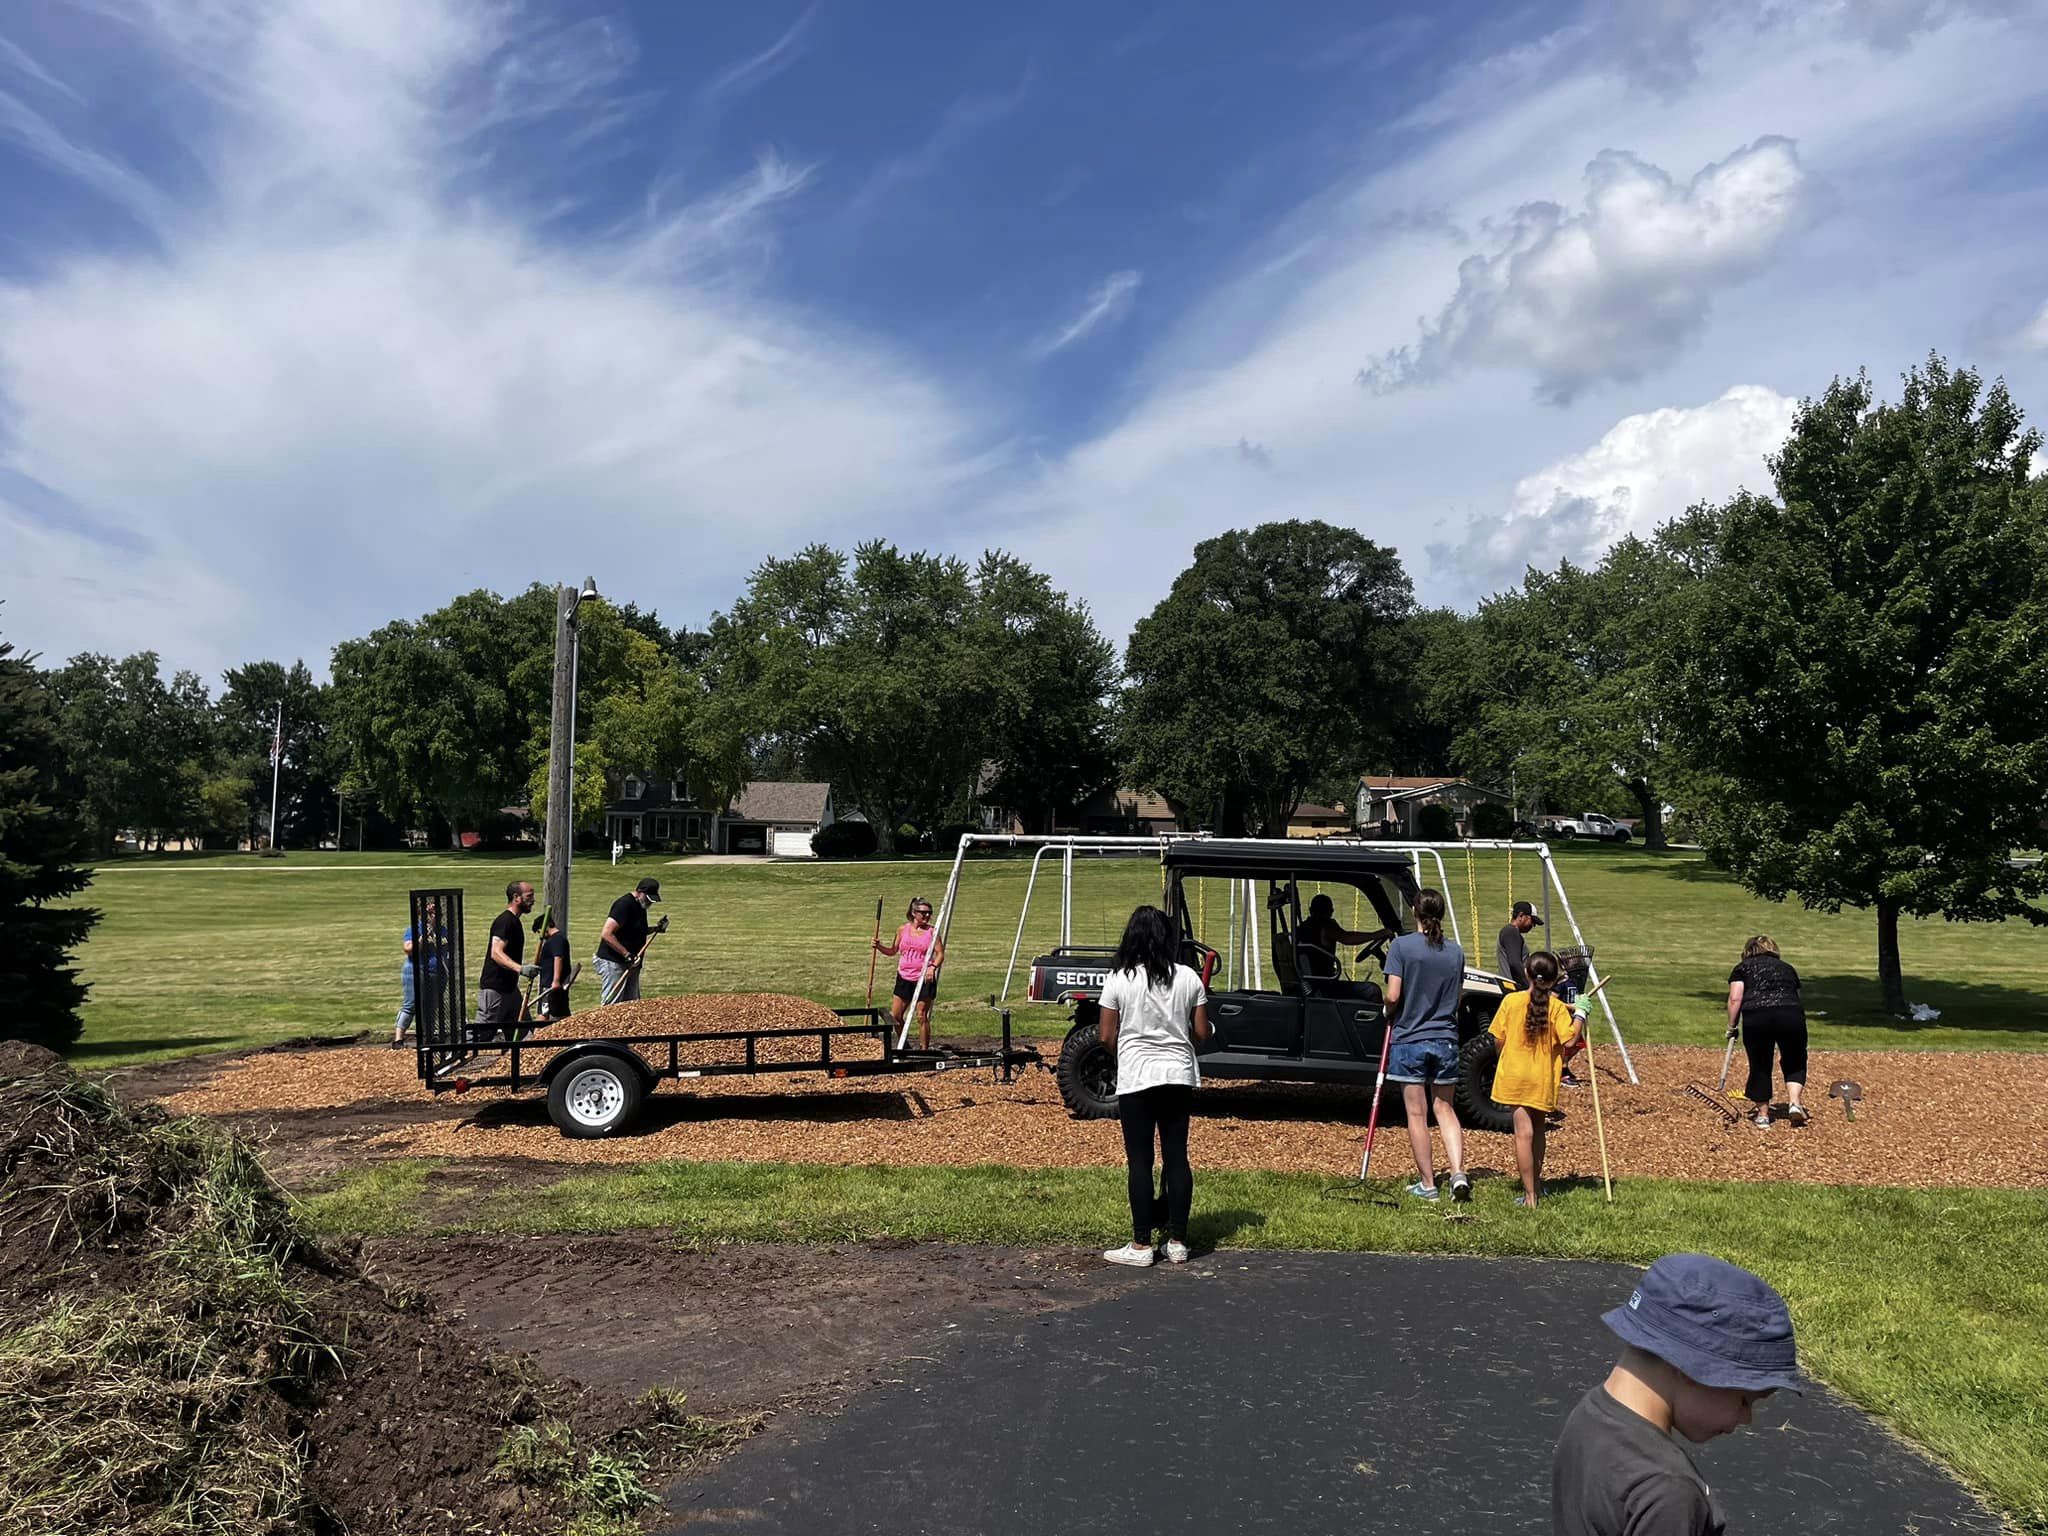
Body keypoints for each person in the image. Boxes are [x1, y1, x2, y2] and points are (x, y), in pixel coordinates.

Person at [1553, 1252, 1802, 1535]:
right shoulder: (1668, 1492)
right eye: (1744, 1400)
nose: (1746, 1418)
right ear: (1692, 1366)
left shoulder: (1588, 1417)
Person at [1096, 905, 1212, 1268]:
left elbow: (1105, 1035)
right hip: (1178, 1074)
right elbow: (1202, 1032)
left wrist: (1125, 1054)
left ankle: (1142, 1243)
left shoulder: (1119, 979)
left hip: (1138, 1077)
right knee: (1177, 1156)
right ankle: (1178, 1240)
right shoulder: (1188, 977)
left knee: (1141, 1161)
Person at [1382, 888, 1471, 1203]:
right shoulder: (1455, 951)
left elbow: (1393, 995)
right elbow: (1459, 994)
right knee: (1445, 1108)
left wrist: (1388, 1011)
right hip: (1445, 1039)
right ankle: (1458, 1172)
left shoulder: (1401, 947)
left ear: (1415, 913)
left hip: (1411, 1038)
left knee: (1417, 1115)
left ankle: (1428, 1184)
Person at [1486, 950, 1587, 1206]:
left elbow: (1498, 1039)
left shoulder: (1511, 1002)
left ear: (1528, 974)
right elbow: (1571, 1039)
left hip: (1515, 1075)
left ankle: (1530, 1196)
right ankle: (1536, 1186)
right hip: (1541, 1077)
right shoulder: (1556, 1007)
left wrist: (1504, 1058)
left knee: (1523, 1133)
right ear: (1554, 980)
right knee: (1537, 1129)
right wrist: (1581, 1015)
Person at [1728, 935, 1808, 1128]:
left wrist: (1732, 1026)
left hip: (1758, 1016)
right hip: (1791, 1014)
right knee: (1795, 1059)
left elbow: (1735, 999)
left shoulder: (1742, 968)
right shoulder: (1787, 968)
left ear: (1747, 951)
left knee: (1760, 1062)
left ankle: (1763, 1115)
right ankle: (1795, 1104)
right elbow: (1796, 996)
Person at [873, 897, 946, 1048]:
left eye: (929, 913)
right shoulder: (902, 930)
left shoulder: (932, 932)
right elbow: (893, 951)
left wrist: (932, 968)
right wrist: (879, 947)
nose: (927, 916)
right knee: (896, 1016)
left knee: (921, 1016)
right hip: (904, 977)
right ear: (913, 913)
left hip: (924, 979)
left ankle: (924, 1050)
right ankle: (904, 1046)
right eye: (923, 913)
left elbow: (940, 954)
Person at [1295, 892, 1393, 993]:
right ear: (1331, 912)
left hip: (1315, 983)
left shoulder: (1302, 928)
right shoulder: (1326, 926)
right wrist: (1377, 934)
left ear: (1311, 910)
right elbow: (1347, 938)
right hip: (1324, 986)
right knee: (1373, 990)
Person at [477, 880, 538, 1036]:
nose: (533, 900)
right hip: (495, 990)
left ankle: (519, 1059)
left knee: (523, 1034)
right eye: (529, 896)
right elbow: (496, 953)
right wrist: (521, 969)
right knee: (481, 1036)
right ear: (516, 897)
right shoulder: (505, 921)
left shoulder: (514, 922)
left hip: (510, 989)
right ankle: (457, 1057)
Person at [594, 877, 660, 1005]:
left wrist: (656, 929)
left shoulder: (641, 906)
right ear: (640, 892)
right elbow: (607, 934)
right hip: (614, 961)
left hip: (632, 963)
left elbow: (635, 930)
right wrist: (627, 954)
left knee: (631, 1005)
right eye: (648, 898)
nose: (649, 902)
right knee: (612, 1003)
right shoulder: (624, 905)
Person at [392, 899, 447, 1047]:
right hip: (416, 971)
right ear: (426, 915)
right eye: (432, 913)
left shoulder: (442, 931)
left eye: (438, 913)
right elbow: (408, 949)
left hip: (437, 973)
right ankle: (398, 1039)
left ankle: (429, 1036)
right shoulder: (415, 929)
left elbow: (447, 950)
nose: (436, 916)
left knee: (431, 1006)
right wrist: (423, 937)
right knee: (411, 1004)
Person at [533, 909, 572, 1024]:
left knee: (548, 1013)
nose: (540, 935)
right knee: (546, 1012)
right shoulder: (553, 940)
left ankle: (539, 1038)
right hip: (548, 983)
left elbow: (558, 957)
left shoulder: (557, 940)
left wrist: (555, 980)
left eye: (539, 931)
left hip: (550, 985)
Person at [1496, 899, 1543, 986]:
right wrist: (1530, 986)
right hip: (1513, 988)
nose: (1533, 926)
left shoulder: (1511, 932)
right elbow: (1515, 963)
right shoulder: (1511, 932)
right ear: (1521, 916)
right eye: (1532, 921)